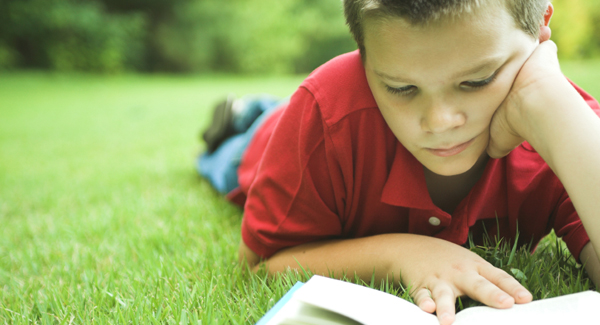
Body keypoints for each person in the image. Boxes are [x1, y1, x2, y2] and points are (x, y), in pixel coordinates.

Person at [198, 1, 600, 324]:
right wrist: (404, 254)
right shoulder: (325, 114)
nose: (440, 122)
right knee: (238, 143)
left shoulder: (568, 124)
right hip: (267, 142)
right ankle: (243, 113)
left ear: (541, 29)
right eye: (401, 88)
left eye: (477, 81)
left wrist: (549, 104)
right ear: (363, 56)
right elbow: (261, 264)